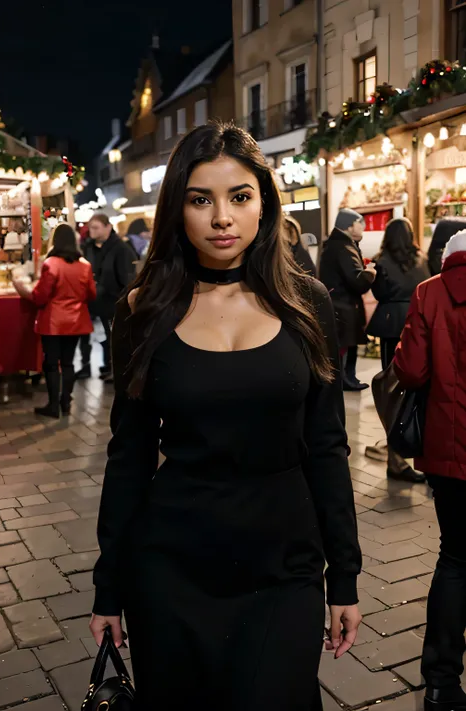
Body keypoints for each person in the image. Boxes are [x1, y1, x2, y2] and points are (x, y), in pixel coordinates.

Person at [90, 122, 362, 710]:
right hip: (173, 567)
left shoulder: (307, 301)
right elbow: (129, 455)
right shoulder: (142, 310)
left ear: (263, 201)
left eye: (239, 196)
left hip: (283, 563)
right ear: (177, 210)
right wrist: (108, 585)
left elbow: (328, 446)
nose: (222, 217)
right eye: (200, 199)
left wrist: (344, 573)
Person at [394, 230, 466, 711]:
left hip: (449, 448)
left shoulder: (430, 291)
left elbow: (412, 372)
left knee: (456, 559)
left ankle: (441, 682)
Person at [366, 218, 430, 483]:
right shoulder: (422, 259)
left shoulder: (382, 261)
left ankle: (396, 451)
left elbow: (379, 293)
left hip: (391, 324)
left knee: (391, 390)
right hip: (418, 324)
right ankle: (418, 449)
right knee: (421, 388)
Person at [12, 224, 96, 418]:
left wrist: (21, 288)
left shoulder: (52, 264)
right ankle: (66, 402)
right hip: (76, 321)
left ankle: (53, 406)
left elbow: (40, 297)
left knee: (51, 363)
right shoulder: (84, 265)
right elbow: (91, 294)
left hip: (53, 322)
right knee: (68, 362)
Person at [319, 208, 377, 391]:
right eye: (361, 224)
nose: (362, 229)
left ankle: (347, 378)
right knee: (344, 347)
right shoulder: (343, 247)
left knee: (343, 346)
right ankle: (345, 380)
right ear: (351, 225)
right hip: (343, 307)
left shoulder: (336, 245)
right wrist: (370, 273)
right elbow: (357, 281)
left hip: (338, 305)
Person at [76, 214, 135, 382]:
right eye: (91, 228)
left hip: (112, 301)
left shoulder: (121, 249)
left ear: (108, 227)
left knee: (112, 337)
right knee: (92, 335)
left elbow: (127, 278)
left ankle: (113, 368)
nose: (92, 231)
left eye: (96, 228)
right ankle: (92, 366)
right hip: (93, 300)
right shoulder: (89, 247)